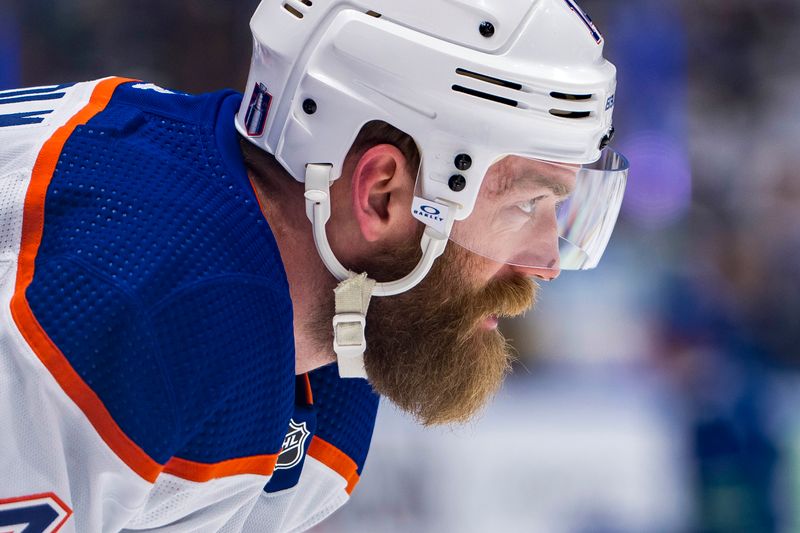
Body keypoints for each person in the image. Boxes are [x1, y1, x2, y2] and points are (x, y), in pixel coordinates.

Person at [0, 0, 628, 531]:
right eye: (527, 203)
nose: (546, 264)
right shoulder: (136, 303)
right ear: (382, 193)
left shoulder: (335, 342)